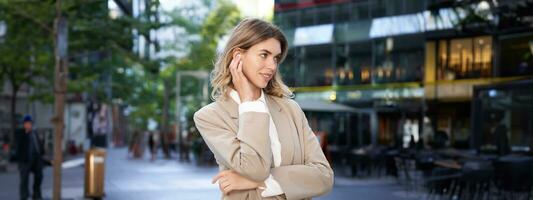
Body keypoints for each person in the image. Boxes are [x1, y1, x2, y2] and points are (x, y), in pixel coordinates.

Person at [193, 18, 334, 200]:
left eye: (276, 58)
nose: (272, 66)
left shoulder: (291, 109)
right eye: (264, 55)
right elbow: (255, 169)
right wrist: (249, 104)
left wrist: (259, 183)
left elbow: (324, 176)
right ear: (238, 56)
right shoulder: (210, 117)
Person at [16, 115, 45, 200]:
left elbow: (38, 144)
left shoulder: (34, 133)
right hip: (25, 159)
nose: (29, 125)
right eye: (27, 123)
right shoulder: (21, 133)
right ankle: (24, 196)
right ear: (24, 124)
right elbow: (18, 146)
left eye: (30, 123)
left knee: (39, 176)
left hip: (36, 158)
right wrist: (26, 132)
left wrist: (41, 152)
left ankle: (36, 195)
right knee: (24, 179)